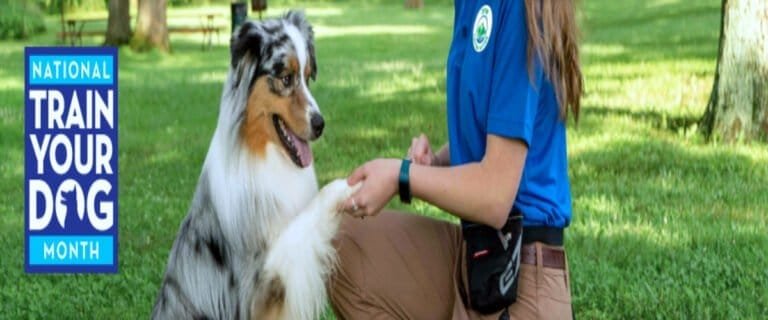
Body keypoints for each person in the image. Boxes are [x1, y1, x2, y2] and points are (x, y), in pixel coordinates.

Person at [331, 0, 582, 318]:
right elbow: (497, 129)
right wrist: (437, 162)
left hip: (521, 277)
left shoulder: (518, 9)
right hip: (474, 255)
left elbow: (494, 196)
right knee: (340, 242)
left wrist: (402, 176)